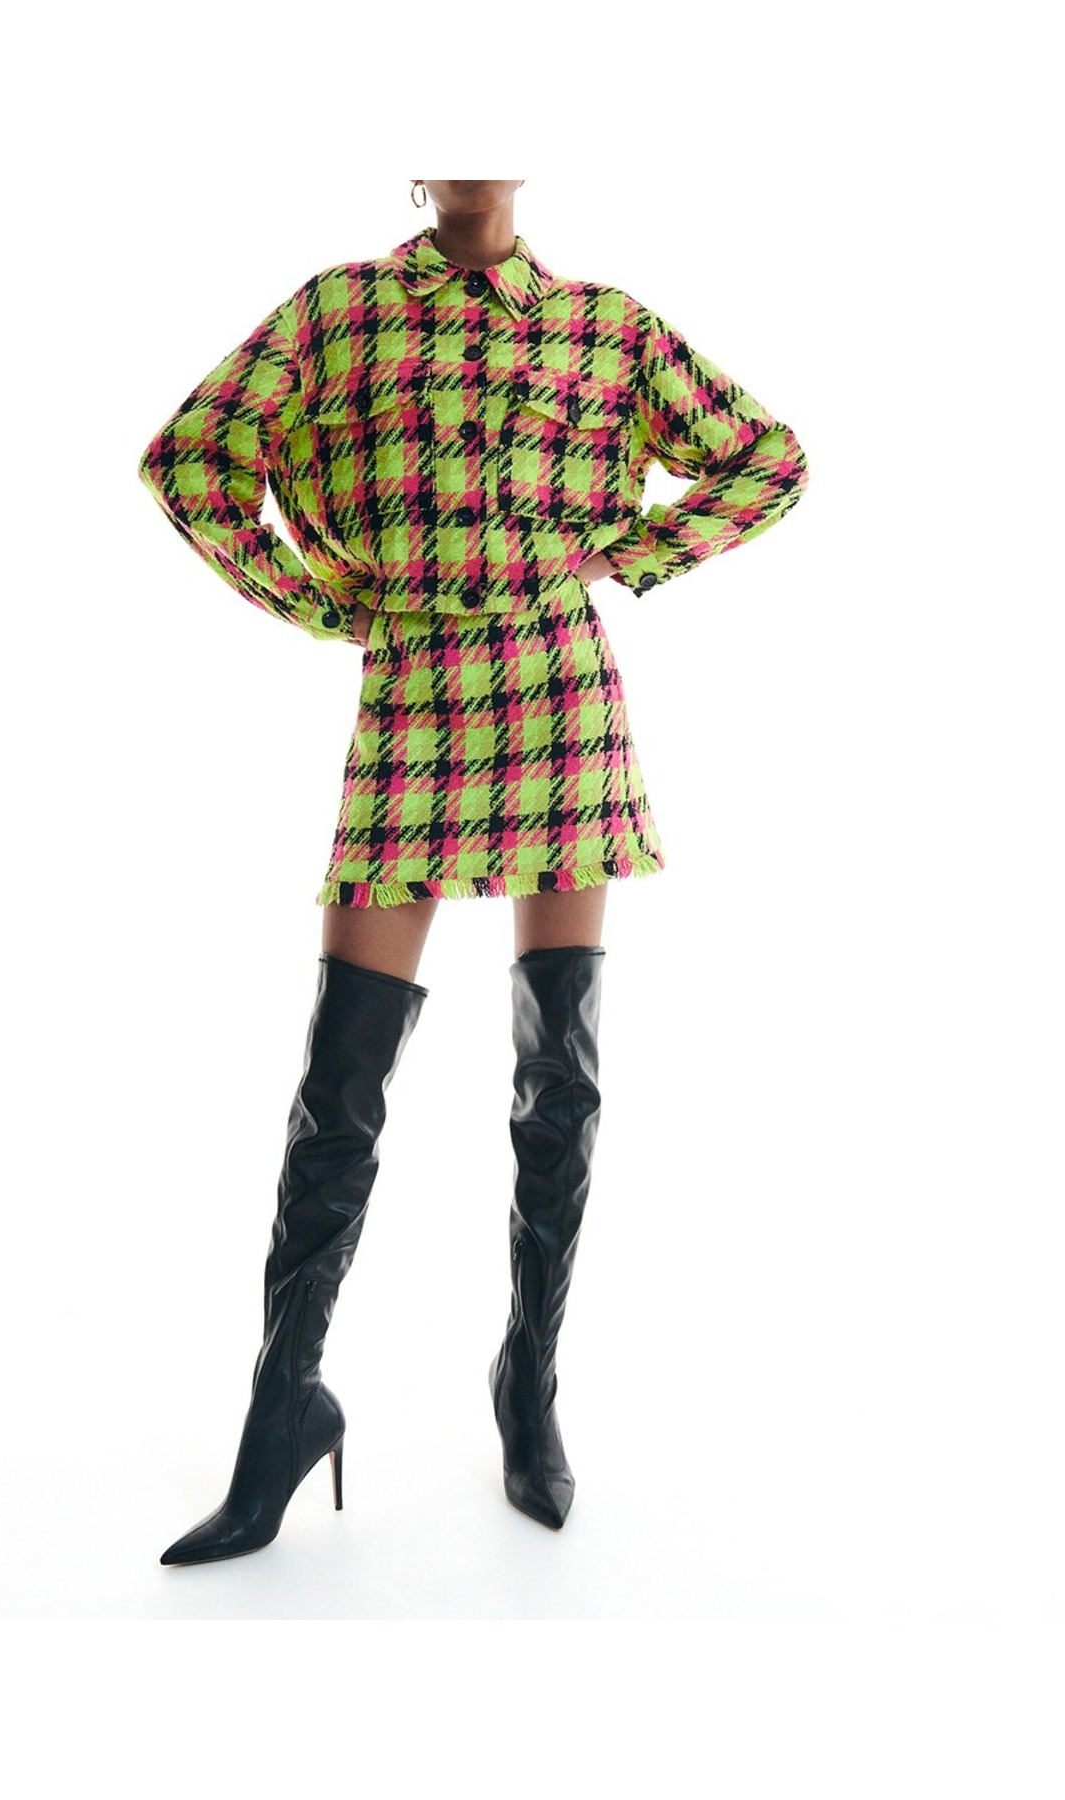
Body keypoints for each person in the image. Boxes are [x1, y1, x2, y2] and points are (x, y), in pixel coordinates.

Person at [137, 178, 809, 1566]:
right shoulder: (340, 311)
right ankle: (282, 1409)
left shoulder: (604, 327)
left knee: (561, 1069)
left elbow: (768, 458)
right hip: (413, 691)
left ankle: (529, 1383)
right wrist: (322, 599)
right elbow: (190, 460)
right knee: (339, 1081)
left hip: (558, 695)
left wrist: (624, 554)